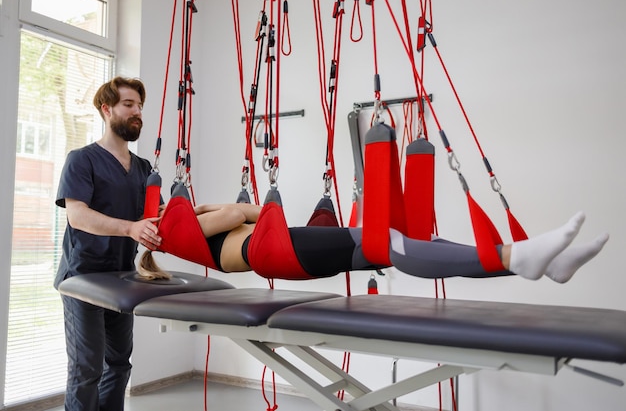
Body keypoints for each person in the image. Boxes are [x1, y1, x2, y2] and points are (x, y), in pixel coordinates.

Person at [138, 201, 609, 284]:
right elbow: (238, 213)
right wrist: (206, 211)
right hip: (277, 251)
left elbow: (256, 213)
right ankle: (516, 257)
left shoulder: (191, 233)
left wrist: (228, 211)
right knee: (388, 241)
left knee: (403, 244)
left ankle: (540, 264)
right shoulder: (175, 235)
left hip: (283, 249)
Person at [55, 76, 161, 411]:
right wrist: (132, 229)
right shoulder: (82, 160)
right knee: (87, 369)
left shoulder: (145, 169)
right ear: (107, 110)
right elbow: (78, 217)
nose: (137, 113)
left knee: (118, 364)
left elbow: (156, 218)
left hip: (121, 279)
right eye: (129, 105)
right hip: (82, 278)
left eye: (140, 106)